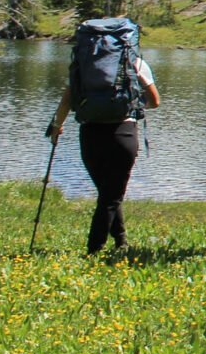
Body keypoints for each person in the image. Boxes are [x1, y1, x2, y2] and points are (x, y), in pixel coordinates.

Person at [47, 20, 161, 254]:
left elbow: (67, 99)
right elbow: (155, 101)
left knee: (108, 192)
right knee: (111, 195)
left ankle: (121, 241)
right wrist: (132, 104)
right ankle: (94, 249)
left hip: (90, 132)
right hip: (123, 132)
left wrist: (57, 126)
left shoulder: (83, 65)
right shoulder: (134, 62)